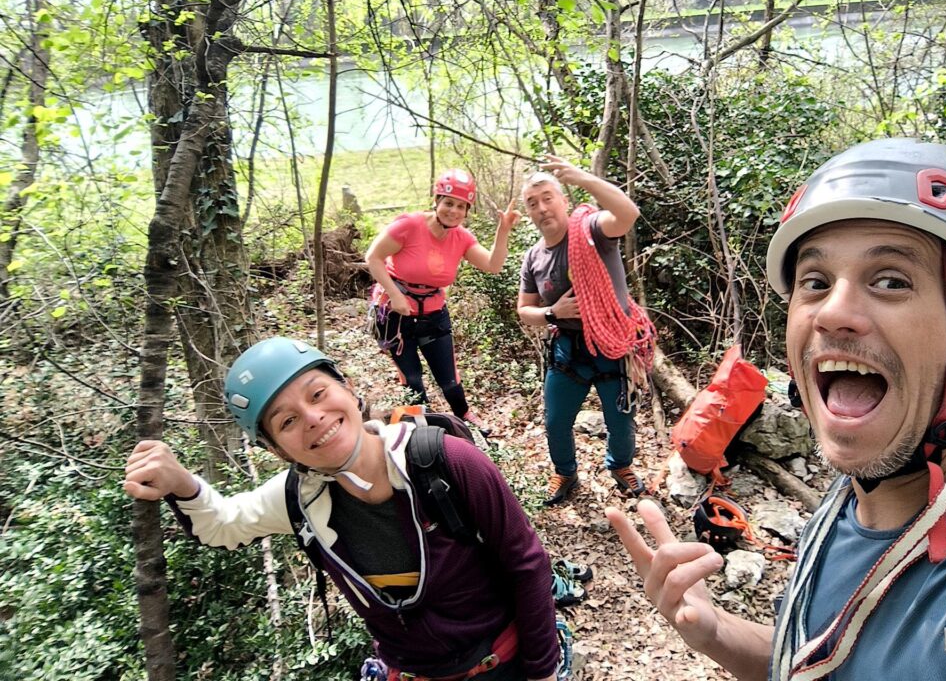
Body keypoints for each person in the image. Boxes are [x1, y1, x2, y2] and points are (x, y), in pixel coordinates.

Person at [607, 138, 946, 680]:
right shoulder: (847, 500)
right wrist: (717, 631)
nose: (833, 312)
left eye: (891, 281)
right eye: (815, 282)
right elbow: (816, 663)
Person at [123, 337, 559, 681]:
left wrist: (542, 673)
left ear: (348, 389)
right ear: (275, 448)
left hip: (503, 664)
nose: (312, 417)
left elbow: (527, 564)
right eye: (286, 421)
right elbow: (222, 525)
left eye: (317, 393)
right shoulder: (298, 497)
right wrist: (180, 482)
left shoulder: (445, 462)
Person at [517, 155, 653, 507]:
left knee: (620, 420)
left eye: (548, 197)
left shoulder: (592, 230)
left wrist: (582, 177)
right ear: (529, 214)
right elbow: (524, 309)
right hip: (568, 350)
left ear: (564, 200)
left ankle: (621, 467)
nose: (542, 207)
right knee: (556, 420)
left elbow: (628, 214)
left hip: (613, 346)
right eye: (533, 203)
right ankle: (565, 472)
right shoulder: (533, 258)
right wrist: (552, 312)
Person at [366, 169, 520, 428]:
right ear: (436, 201)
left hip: (433, 314)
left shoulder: (461, 238)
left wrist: (503, 230)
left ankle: (464, 415)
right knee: (412, 378)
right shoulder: (409, 226)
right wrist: (394, 294)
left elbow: (493, 265)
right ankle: (421, 426)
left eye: (461, 206)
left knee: (449, 378)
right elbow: (373, 257)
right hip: (396, 314)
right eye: (448, 203)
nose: (454, 211)